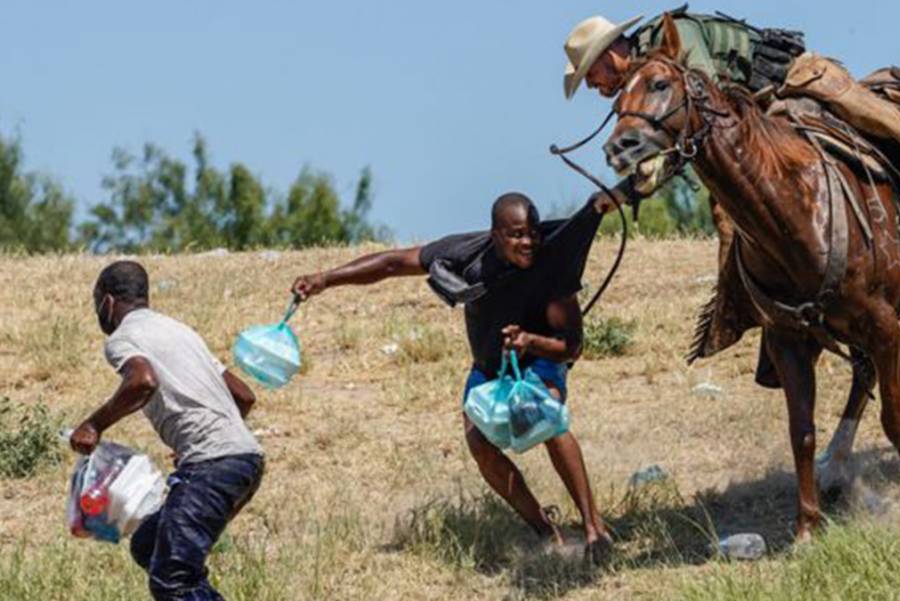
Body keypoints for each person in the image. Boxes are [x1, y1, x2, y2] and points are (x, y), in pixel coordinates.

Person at [563, 8, 900, 302]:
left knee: (878, 127)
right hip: (757, 123)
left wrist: (631, 186)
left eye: (591, 73)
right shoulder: (643, 85)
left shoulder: (672, 42)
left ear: (612, 53)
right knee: (731, 210)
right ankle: (760, 305)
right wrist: (628, 186)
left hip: (794, 84)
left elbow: (704, 110)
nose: (592, 86)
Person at [290, 193, 614, 561]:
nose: (528, 243)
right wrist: (326, 279)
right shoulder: (466, 253)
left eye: (533, 234)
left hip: (539, 358)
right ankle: (546, 531)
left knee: (545, 418)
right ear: (495, 234)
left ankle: (593, 530)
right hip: (489, 367)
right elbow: (394, 264)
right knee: (480, 445)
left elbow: (572, 347)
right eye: (517, 234)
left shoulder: (551, 266)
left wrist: (530, 341)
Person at [70, 260, 264, 601]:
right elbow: (243, 396)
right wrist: (208, 436)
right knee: (149, 546)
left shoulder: (123, 337)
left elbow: (142, 381)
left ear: (108, 301)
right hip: (245, 459)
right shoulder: (180, 331)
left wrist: (93, 424)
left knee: (173, 581)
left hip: (213, 464)